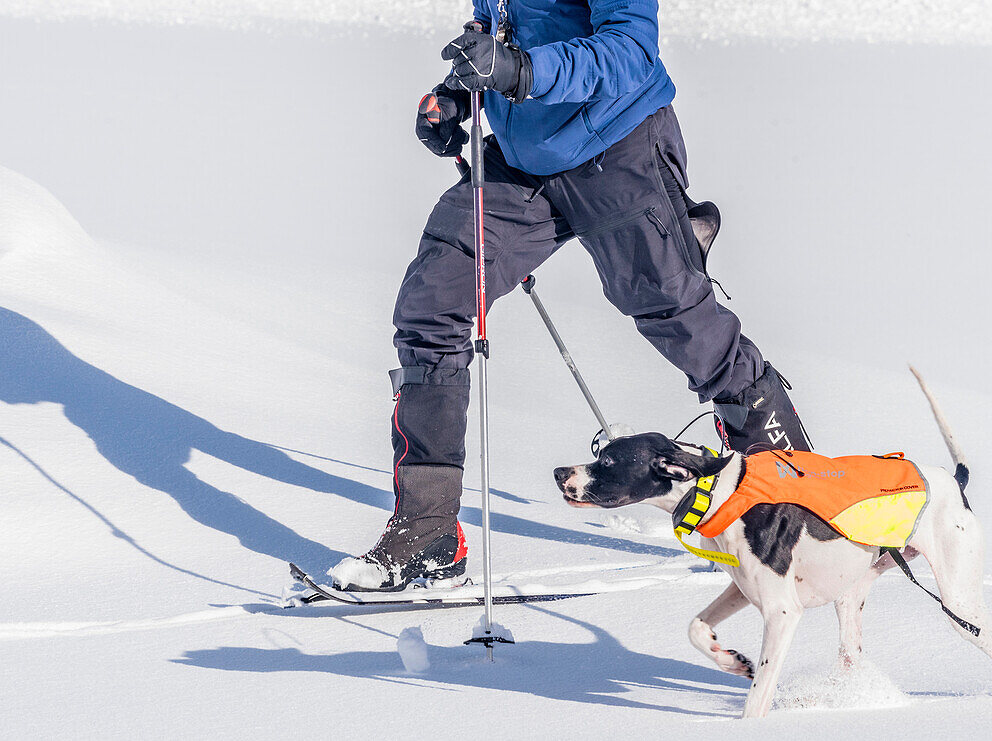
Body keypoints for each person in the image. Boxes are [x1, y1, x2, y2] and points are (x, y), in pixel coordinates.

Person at [329, 0, 810, 591]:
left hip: (619, 147)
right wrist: (460, 89)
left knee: (682, 321)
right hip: (523, 160)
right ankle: (426, 536)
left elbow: (632, 51)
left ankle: (796, 500)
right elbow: (506, 25)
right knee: (434, 305)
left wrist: (519, 72)